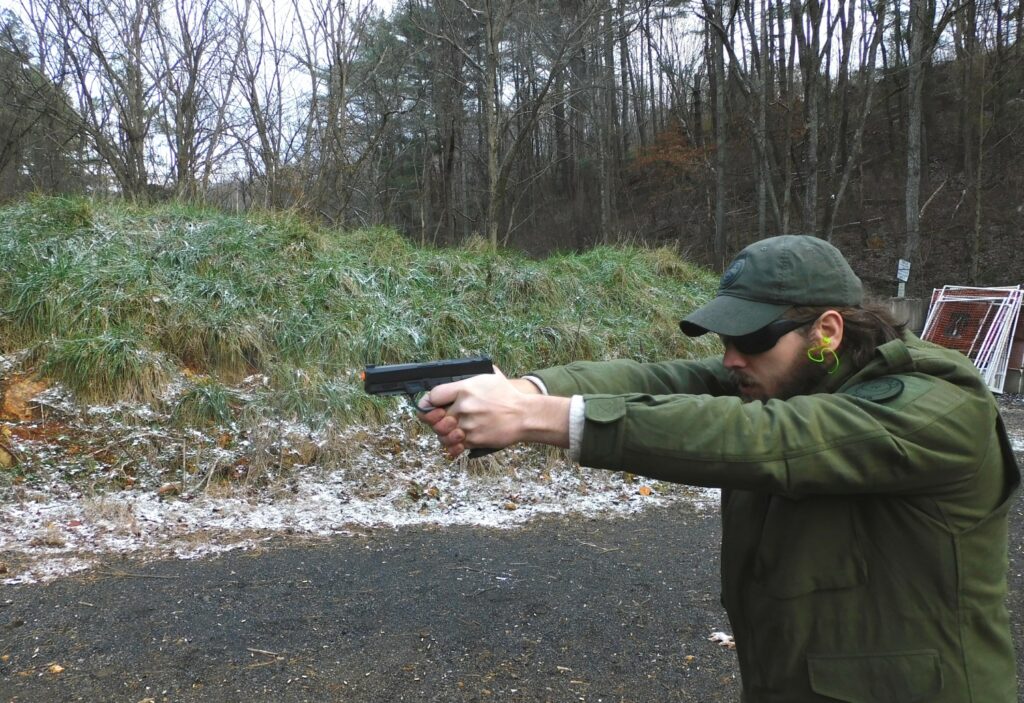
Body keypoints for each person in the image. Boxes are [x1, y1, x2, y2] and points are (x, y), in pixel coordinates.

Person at [417, 234, 1020, 703]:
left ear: (826, 331)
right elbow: (660, 379)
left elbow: (773, 441)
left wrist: (541, 419)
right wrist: (527, 389)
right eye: (725, 337)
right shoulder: (787, 378)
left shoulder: (938, 403)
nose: (730, 358)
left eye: (751, 338)